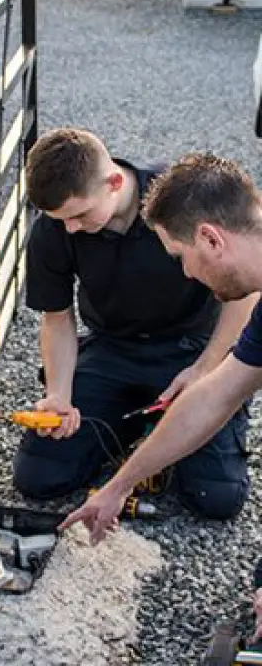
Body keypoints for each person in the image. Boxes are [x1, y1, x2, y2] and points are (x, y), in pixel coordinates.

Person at [14, 129, 256, 520]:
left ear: (113, 183)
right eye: (62, 221)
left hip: (191, 346)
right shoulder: (54, 229)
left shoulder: (178, 204)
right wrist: (59, 394)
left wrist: (207, 369)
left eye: (79, 215)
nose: (71, 229)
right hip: (113, 350)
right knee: (39, 478)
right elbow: (56, 318)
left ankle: (166, 430)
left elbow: (243, 290)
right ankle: (141, 426)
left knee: (217, 497)